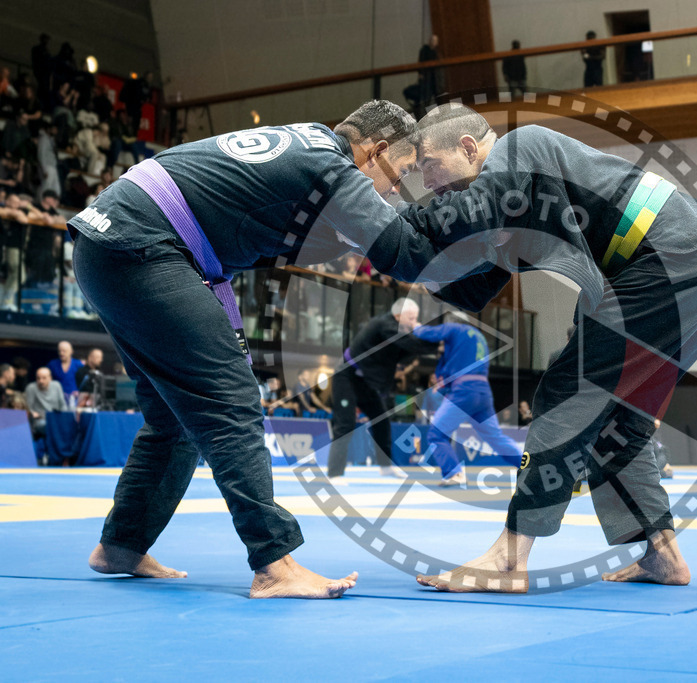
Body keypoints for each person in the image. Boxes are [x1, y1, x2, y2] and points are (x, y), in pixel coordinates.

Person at [66, 99, 462, 599]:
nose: (394, 188)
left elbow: (305, 241)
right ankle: (273, 563)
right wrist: (481, 242)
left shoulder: (308, 142)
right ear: (376, 151)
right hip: (145, 247)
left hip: (107, 242)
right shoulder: (334, 168)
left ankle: (121, 545)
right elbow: (404, 252)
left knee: (172, 418)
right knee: (231, 401)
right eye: (401, 172)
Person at [403, 103, 697, 592]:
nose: (427, 184)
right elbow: (474, 287)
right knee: (617, 416)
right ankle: (662, 555)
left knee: (567, 390)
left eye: (427, 167)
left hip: (676, 259)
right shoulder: (513, 200)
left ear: (469, 148)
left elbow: (461, 219)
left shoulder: (520, 148)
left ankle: (507, 559)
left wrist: (382, 221)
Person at [327, 298, 437, 478]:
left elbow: (408, 352)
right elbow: (409, 343)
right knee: (345, 424)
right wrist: (434, 342)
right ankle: (335, 473)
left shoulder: (397, 334)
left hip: (365, 382)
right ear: (397, 316)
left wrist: (429, 340)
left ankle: (385, 467)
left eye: (415, 318)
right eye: (410, 318)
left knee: (382, 420)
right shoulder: (383, 325)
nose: (414, 323)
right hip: (345, 376)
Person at [412, 315, 522, 486]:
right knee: (495, 437)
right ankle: (527, 465)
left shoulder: (455, 329)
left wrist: (416, 326)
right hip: (483, 392)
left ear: (453, 321)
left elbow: (431, 334)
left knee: (436, 434)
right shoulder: (479, 338)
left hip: (464, 392)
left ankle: (454, 473)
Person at [25, 367, 68, 442]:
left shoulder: (57, 385)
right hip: (40, 420)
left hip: (55, 418)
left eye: (44, 378)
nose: (41, 381)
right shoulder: (31, 388)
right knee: (45, 425)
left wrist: (64, 417)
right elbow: (28, 407)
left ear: (50, 378)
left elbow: (63, 405)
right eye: (38, 378)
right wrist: (32, 413)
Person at [418, 34, 441, 105]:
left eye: (435, 41)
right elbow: (420, 63)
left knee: (438, 96)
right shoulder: (424, 51)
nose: (434, 42)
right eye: (432, 40)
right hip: (427, 78)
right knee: (426, 98)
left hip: (435, 78)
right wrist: (421, 74)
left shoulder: (437, 52)